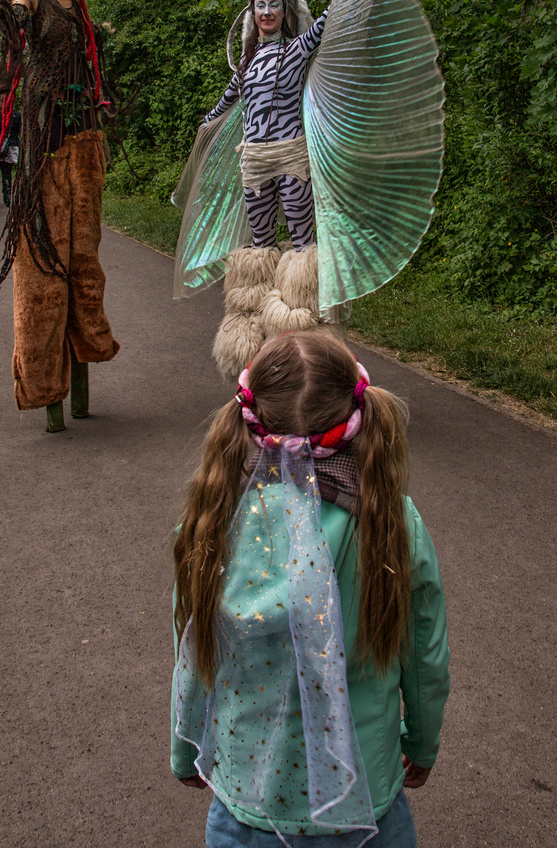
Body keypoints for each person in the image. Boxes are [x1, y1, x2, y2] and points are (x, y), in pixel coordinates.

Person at [173, 0, 445, 384]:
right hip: (254, 158)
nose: (268, 10)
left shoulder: (298, 49)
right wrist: (208, 126)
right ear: (252, 10)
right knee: (255, 245)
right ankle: (249, 339)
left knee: (300, 243)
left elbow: (329, 24)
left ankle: (308, 343)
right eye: (260, 4)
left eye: (275, 3)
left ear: (284, 7)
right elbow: (228, 101)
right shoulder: (246, 62)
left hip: (292, 153)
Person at [172, 330, 450, 848]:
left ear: (249, 420)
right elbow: (426, 655)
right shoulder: (393, 523)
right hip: (365, 802)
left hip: (248, 803)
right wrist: (423, 743)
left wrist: (182, 745)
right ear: (358, 415)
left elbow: (192, 650)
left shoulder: (212, 523)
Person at [0, 0, 119, 431]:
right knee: (46, 265)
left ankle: (83, 383)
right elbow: (16, 18)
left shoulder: (72, 0)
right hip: (46, 140)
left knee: (85, 260)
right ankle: (49, 399)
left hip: (82, 137)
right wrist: (15, 12)